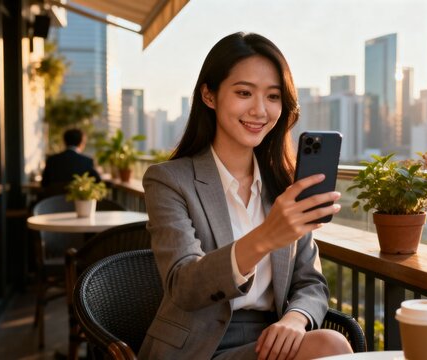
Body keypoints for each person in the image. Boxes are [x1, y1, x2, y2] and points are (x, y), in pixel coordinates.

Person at [139, 32, 353, 359]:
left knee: (330, 343)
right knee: (332, 345)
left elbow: (311, 283)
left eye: (272, 96)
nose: (259, 110)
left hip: (271, 340)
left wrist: (296, 320)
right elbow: (184, 285)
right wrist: (266, 236)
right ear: (209, 95)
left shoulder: (283, 185)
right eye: (243, 93)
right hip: (196, 348)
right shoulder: (169, 180)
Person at [41, 128, 101, 197]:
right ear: (82, 142)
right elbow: (98, 182)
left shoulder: (51, 160)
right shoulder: (87, 161)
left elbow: (44, 184)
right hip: (79, 204)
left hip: (52, 204)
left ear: (64, 141)